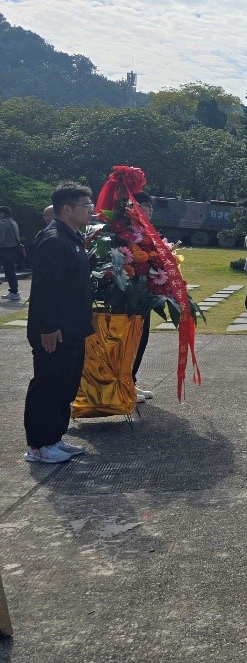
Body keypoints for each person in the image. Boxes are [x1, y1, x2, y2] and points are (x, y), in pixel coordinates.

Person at [23, 182, 95, 464]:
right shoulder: (54, 240)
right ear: (66, 208)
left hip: (72, 328)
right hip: (54, 331)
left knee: (65, 386)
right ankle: (38, 445)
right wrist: (48, 327)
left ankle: (54, 437)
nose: (90, 210)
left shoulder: (72, 238)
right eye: (85, 205)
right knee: (48, 385)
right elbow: (44, 287)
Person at [130, 192, 158, 403]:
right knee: (131, 341)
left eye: (150, 206)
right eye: (146, 205)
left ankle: (131, 380)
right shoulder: (127, 231)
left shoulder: (148, 231)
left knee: (142, 339)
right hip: (131, 296)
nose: (150, 210)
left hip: (146, 294)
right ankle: (125, 383)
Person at [0, 205, 22, 303]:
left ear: (2, 213)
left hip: (4, 250)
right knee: (10, 271)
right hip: (13, 250)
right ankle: (14, 292)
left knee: (9, 271)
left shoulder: (3, 223)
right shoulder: (13, 222)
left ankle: (14, 292)